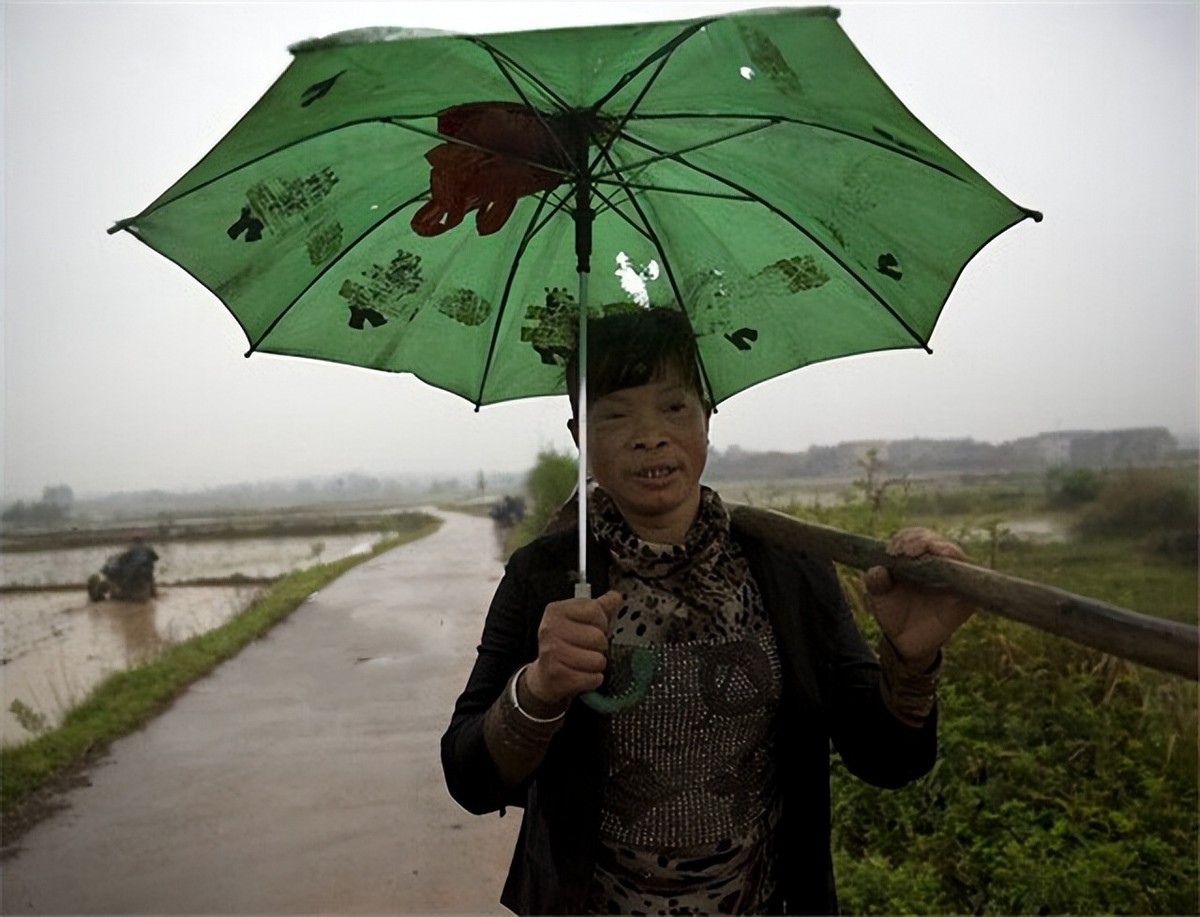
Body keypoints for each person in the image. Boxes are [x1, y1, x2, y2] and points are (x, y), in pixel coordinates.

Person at [441, 308, 973, 915]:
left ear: (707, 417)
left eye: (674, 408)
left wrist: (910, 660)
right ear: (579, 434)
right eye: (615, 414)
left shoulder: (789, 567)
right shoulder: (543, 577)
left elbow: (887, 759)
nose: (650, 436)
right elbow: (471, 779)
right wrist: (537, 691)